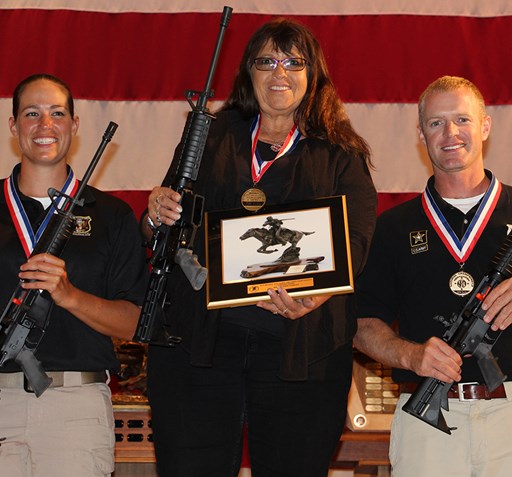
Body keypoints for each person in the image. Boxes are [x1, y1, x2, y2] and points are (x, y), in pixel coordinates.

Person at [144, 18, 377, 476]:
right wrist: (154, 214)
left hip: (302, 349)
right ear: (248, 72)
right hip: (201, 348)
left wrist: (318, 293)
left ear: (314, 75)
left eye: (294, 62)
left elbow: (356, 240)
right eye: (266, 61)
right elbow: (163, 233)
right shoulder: (209, 136)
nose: (280, 74)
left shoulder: (339, 151)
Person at [354, 76, 512, 476]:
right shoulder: (394, 227)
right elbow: (361, 323)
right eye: (436, 123)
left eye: (462, 120)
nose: (450, 133)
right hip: (427, 422)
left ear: (485, 126)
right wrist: (410, 354)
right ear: (421, 133)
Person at [0, 73, 147, 477]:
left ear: (74, 125)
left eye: (57, 113)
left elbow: (136, 320)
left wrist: (69, 295)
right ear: (14, 126)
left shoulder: (113, 216)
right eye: (31, 113)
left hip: (75, 407)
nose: (44, 125)